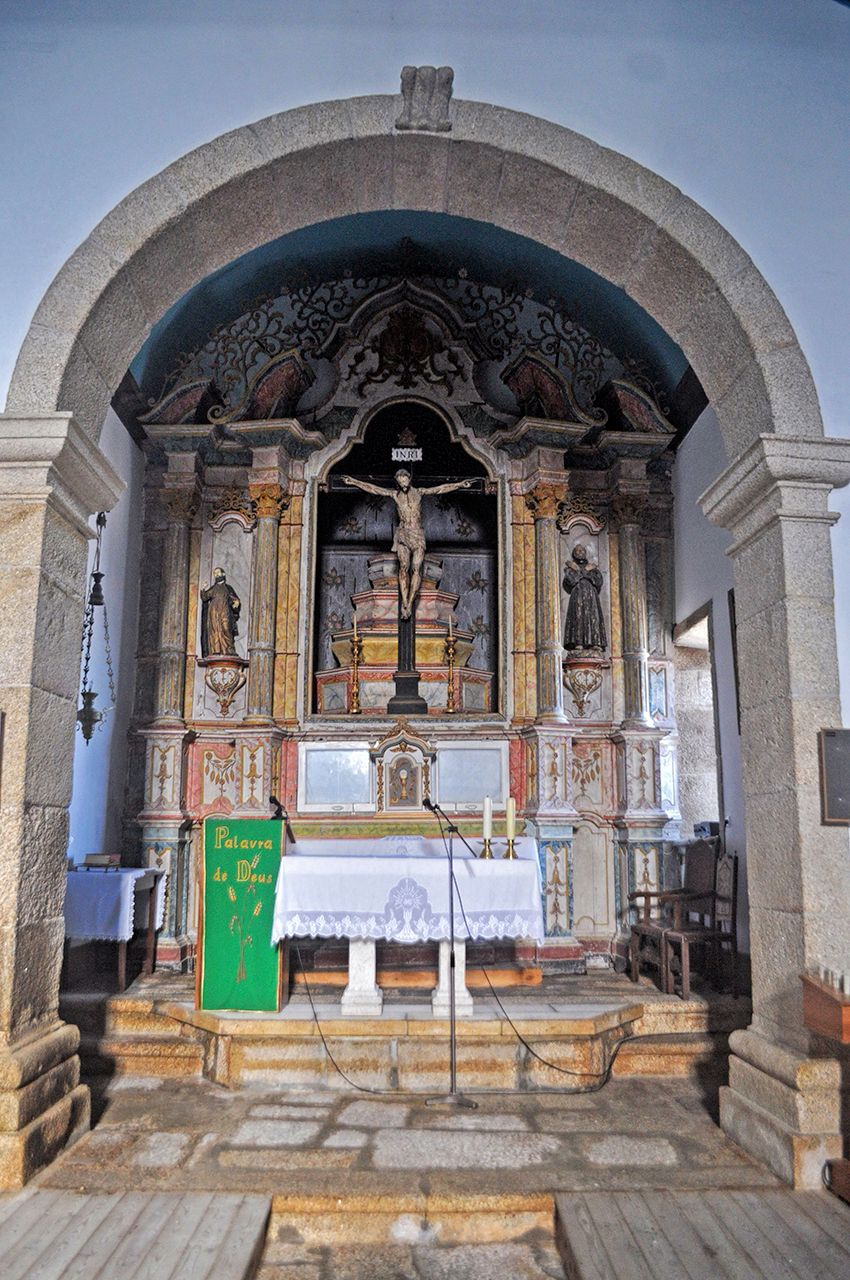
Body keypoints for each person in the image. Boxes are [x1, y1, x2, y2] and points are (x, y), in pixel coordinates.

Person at [343, 469, 473, 617]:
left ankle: (410, 603)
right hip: (403, 534)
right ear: (397, 482)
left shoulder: (419, 492)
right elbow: (374, 489)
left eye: (404, 480)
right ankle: (404, 602)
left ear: (409, 479)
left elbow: (440, 489)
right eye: (400, 481)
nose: (403, 484)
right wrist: (354, 482)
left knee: (416, 568)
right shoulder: (395, 494)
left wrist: (460, 485)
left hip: (417, 534)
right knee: (403, 567)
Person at [563, 544, 606, 652]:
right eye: (577, 551)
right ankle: (578, 642)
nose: (580, 552)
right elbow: (572, 580)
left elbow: (598, 581)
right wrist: (585, 571)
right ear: (574, 553)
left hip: (592, 597)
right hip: (577, 595)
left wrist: (581, 570)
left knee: (593, 617)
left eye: (582, 550)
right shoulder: (570, 569)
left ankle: (595, 642)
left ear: (585, 553)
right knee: (578, 616)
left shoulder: (593, 568)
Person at [200, 567, 241, 656]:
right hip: (214, 612)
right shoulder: (213, 588)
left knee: (226, 628)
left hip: (225, 610)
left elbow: (234, 599)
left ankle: (229, 650)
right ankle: (216, 650)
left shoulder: (228, 588)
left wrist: (236, 602)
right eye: (215, 573)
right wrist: (203, 589)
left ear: (223, 574)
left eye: (218, 572)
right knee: (215, 630)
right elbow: (205, 597)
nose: (216, 575)